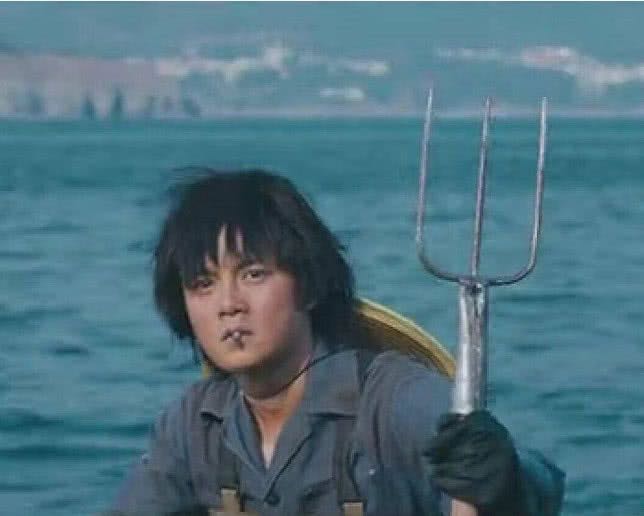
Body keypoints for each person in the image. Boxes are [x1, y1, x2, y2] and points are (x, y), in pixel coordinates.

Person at [111, 169, 565, 515]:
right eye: (203, 284)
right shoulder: (195, 424)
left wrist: (501, 477)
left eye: (253, 274)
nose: (228, 305)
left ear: (308, 285)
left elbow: (541, 482)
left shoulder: (391, 402)